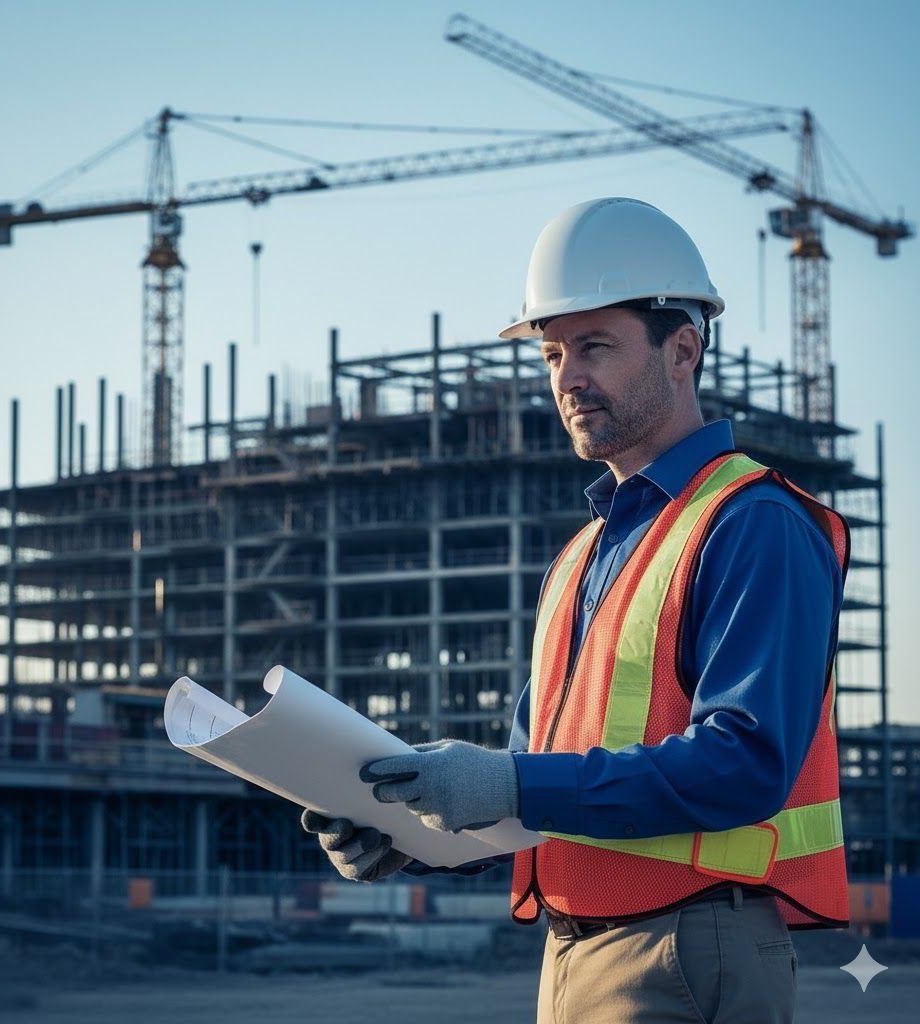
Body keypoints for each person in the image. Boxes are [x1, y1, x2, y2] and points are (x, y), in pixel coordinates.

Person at [302, 197, 849, 1022]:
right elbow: (536, 794)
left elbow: (747, 764)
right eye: (553, 353)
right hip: (573, 954)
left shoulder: (752, 522)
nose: (567, 377)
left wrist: (509, 781)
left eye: (595, 346)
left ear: (683, 351)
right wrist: (417, 838)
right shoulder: (580, 559)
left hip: (687, 952)